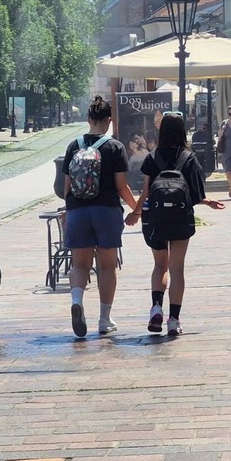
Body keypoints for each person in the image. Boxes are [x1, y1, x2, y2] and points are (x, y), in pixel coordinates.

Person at [127, 112, 226, 336]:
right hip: (180, 219)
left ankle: (155, 307)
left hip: (156, 218)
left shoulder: (152, 157)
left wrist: (136, 213)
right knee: (177, 269)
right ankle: (174, 320)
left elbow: (145, 193)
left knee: (159, 266)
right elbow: (195, 194)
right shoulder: (189, 158)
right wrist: (209, 202)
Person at [59, 96, 140, 337]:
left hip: (78, 210)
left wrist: (70, 209)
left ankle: (77, 300)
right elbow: (121, 187)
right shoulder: (115, 147)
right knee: (106, 267)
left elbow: (66, 187)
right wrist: (137, 209)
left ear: (88, 119)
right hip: (106, 210)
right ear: (109, 120)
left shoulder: (74, 145)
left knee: (80, 264)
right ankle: (104, 319)